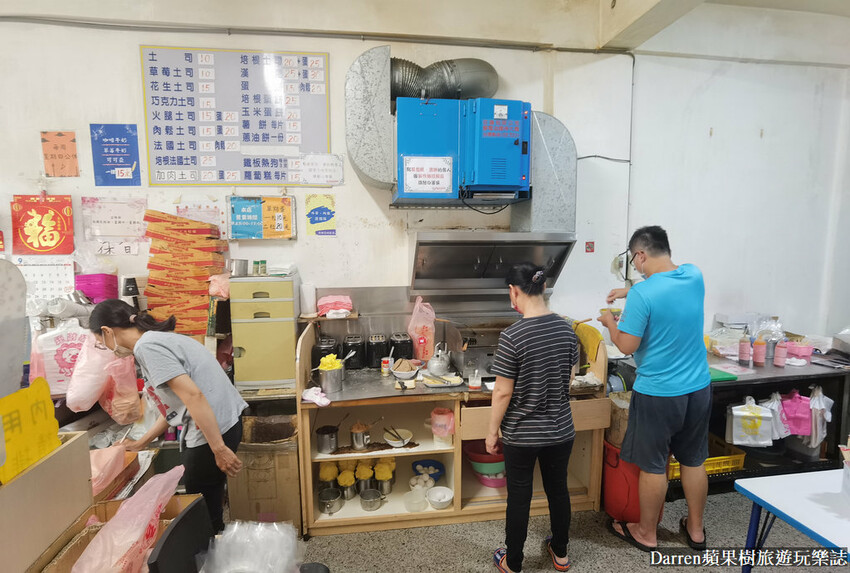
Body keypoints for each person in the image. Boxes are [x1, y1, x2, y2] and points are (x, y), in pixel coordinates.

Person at [88, 299, 248, 532]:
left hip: (212, 434)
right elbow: (178, 405)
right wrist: (142, 442)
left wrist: (218, 448)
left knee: (202, 513)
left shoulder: (148, 347)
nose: (107, 349)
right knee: (209, 505)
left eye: (101, 343)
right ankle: (214, 553)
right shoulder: (160, 339)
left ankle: (210, 560)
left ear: (107, 331)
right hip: (223, 425)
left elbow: (194, 397)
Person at [598, 225, 711, 552]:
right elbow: (663, 287)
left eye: (636, 262)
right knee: (693, 460)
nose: (637, 267)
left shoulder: (645, 295)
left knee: (654, 464)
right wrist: (628, 291)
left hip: (660, 393)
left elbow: (627, 344)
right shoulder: (694, 274)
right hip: (698, 388)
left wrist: (609, 321)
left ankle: (646, 532)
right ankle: (696, 530)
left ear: (641, 255)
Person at [487, 263, 579, 573]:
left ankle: (513, 562)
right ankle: (561, 554)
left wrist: (491, 432)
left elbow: (502, 392)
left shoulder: (513, 336)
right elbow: (569, 379)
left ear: (514, 292)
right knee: (558, 490)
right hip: (560, 430)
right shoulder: (567, 329)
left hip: (522, 435)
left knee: (520, 496)